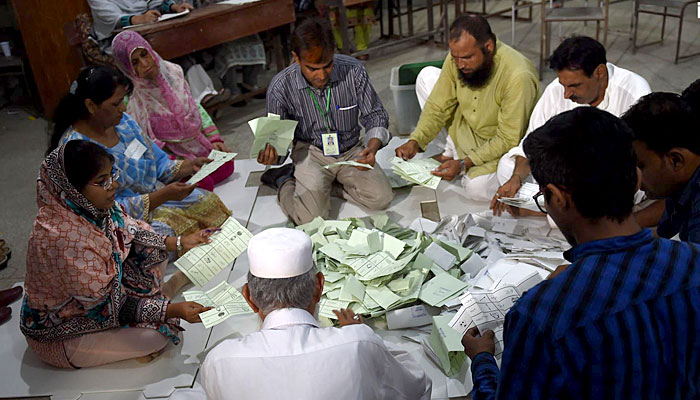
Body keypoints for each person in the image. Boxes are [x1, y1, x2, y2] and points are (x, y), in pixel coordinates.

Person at [461, 107, 700, 399]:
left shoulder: (540, 314)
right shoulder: (694, 261)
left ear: (558, 198)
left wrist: (483, 361)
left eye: (542, 198)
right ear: (636, 179)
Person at [21, 140, 214, 368]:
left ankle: (157, 302)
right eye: (102, 182)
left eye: (112, 175)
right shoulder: (63, 240)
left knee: (154, 251)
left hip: (106, 294)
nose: (114, 185)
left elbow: (133, 230)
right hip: (67, 328)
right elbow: (105, 307)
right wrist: (171, 310)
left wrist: (181, 242)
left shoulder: (92, 206)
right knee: (156, 337)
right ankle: (160, 304)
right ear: (72, 188)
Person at [199, 227, 432, 399]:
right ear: (320, 286)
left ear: (249, 297)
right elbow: (418, 387)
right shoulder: (358, 342)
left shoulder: (220, 360)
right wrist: (362, 335)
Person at [49, 65, 231, 238]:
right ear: (91, 106)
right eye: (116, 104)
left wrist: (190, 166)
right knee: (162, 232)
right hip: (118, 220)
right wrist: (162, 195)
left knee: (208, 202)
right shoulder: (76, 149)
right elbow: (104, 209)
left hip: (155, 199)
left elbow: (158, 163)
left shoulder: (124, 122)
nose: (123, 108)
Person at [492, 36, 651, 216]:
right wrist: (516, 178)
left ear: (599, 72)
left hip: (606, 179)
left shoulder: (634, 93)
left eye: (575, 86)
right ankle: (562, 211)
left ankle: (549, 211)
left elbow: (637, 165)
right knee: (506, 167)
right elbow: (531, 143)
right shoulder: (557, 90)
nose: (566, 95)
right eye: (564, 86)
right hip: (562, 174)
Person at [257, 17, 393, 225]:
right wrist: (272, 155)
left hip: (351, 150)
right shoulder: (280, 87)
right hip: (311, 152)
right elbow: (278, 145)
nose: (321, 75)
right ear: (296, 58)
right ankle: (284, 180)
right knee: (311, 219)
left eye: (327, 65)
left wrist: (372, 148)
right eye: (312, 68)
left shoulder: (354, 71)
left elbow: (375, 115)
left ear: (333, 53)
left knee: (381, 198)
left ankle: (327, 186)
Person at [396, 15, 538, 202]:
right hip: (466, 127)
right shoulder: (458, 58)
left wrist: (464, 163)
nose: (460, 65)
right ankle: (450, 152)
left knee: (476, 189)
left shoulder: (518, 76)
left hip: (498, 144)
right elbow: (438, 104)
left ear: (489, 47)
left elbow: (507, 138)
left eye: (467, 58)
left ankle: (457, 160)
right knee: (427, 76)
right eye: (455, 58)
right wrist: (416, 139)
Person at [112, 31, 234, 192]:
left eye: (144, 54)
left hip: (197, 145)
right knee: (204, 184)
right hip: (170, 157)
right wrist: (174, 165)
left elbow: (195, 106)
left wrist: (214, 139)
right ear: (127, 68)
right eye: (135, 62)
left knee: (228, 166)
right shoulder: (132, 99)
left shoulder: (173, 73)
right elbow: (140, 145)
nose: (144, 63)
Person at [86, 0, 229, 108]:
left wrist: (174, 7)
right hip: (117, 38)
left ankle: (202, 95)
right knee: (155, 52)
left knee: (177, 42)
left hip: (150, 30)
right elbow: (108, 17)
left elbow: (156, 2)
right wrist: (137, 18)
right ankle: (189, 101)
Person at [622, 92, 700, 243]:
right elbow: (662, 235)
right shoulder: (677, 187)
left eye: (640, 166)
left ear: (675, 160)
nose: (634, 179)